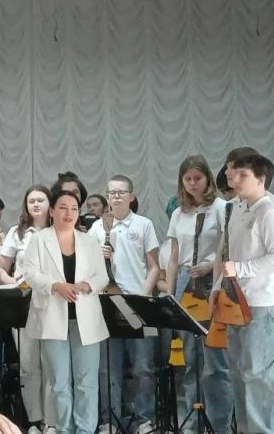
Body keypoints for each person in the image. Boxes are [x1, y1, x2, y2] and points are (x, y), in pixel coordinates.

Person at [210, 153, 274, 434]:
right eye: (234, 173)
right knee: (239, 375)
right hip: (235, 302)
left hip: (263, 305)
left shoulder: (270, 212)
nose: (235, 179)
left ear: (261, 179)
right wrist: (217, 286)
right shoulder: (235, 208)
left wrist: (240, 269)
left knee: (258, 377)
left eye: (243, 175)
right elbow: (227, 254)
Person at [21, 185, 109, 434]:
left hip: (85, 317)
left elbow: (102, 277)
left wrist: (87, 285)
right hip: (52, 317)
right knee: (59, 382)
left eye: (74, 209)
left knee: (86, 382)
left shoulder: (89, 241)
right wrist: (55, 285)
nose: (69, 213)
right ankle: (64, 429)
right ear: (52, 211)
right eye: (63, 208)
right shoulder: (39, 239)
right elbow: (30, 273)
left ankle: (85, 430)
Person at [164, 156, 232, 432]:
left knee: (215, 362)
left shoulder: (221, 207)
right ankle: (191, 423)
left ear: (208, 179)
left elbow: (227, 247)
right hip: (185, 281)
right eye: (188, 179)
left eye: (198, 178)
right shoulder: (179, 213)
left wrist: (209, 264)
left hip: (212, 281)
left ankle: (219, 425)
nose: (193, 184)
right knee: (189, 361)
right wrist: (170, 294)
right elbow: (173, 257)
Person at [88, 175, 159, 433]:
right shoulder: (97, 228)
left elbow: (154, 267)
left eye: (121, 192)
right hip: (107, 304)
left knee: (143, 367)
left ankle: (144, 419)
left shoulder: (144, 224)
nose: (116, 197)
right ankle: (110, 420)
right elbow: (87, 271)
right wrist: (98, 257)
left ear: (131, 196)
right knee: (108, 369)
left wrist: (143, 297)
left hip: (138, 302)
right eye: (112, 193)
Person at [0, 186, 55, 434]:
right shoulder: (16, 233)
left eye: (41, 200)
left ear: (50, 204)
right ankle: (33, 420)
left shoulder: (59, 230)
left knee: (51, 366)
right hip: (23, 306)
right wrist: (12, 283)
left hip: (53, 305)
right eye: (32, 201)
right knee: (29, 366)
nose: (36, 204)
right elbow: (0, 268)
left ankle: (51, 421)